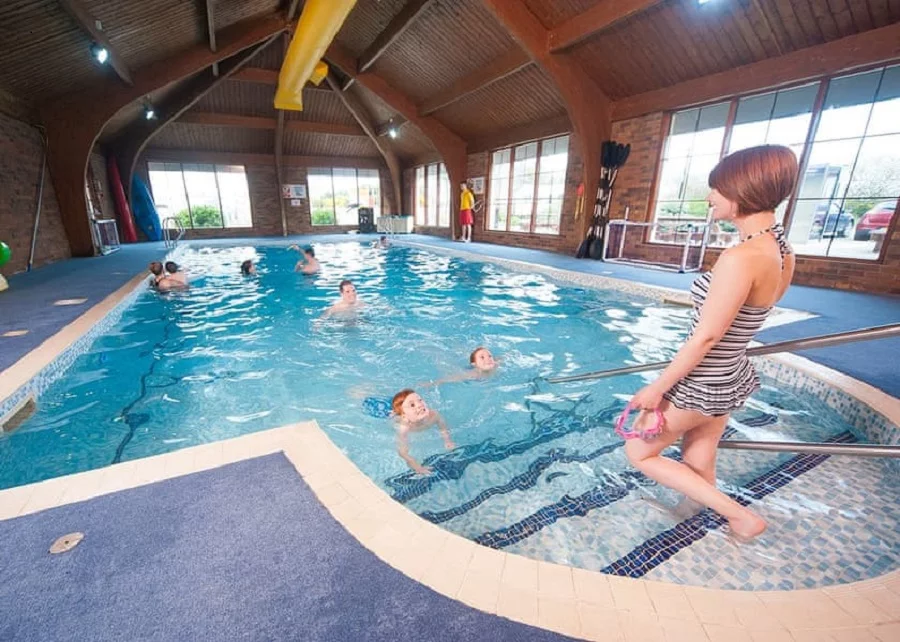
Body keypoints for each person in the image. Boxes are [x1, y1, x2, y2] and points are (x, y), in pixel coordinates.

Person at [624, 145, 797, 541]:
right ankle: (690, 515)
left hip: (701, 379)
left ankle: (740, 517)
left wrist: (658, 388)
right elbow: (747, 320)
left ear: (742, 191)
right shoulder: (784, 253)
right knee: (699, 454)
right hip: (731, 374)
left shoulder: (741, 257)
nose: (709, 198)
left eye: (717, 189)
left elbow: (707, 336)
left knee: (639, 453)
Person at [392, 389, 454, 475]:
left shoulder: (433, 415)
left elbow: (442, 425)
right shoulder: (404, 427)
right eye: (412, 405)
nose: (420, 405)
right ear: (404, 415)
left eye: (420, 400)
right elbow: (402, 452)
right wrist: (417, 467)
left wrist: (447, 440)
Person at [422, 346, 498, 387]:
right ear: (474, 364)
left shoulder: (495, 365)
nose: (488, 359)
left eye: (490, 356)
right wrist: (432, 383)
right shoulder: (472, 375)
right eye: (482, 357)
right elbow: (450, 378)